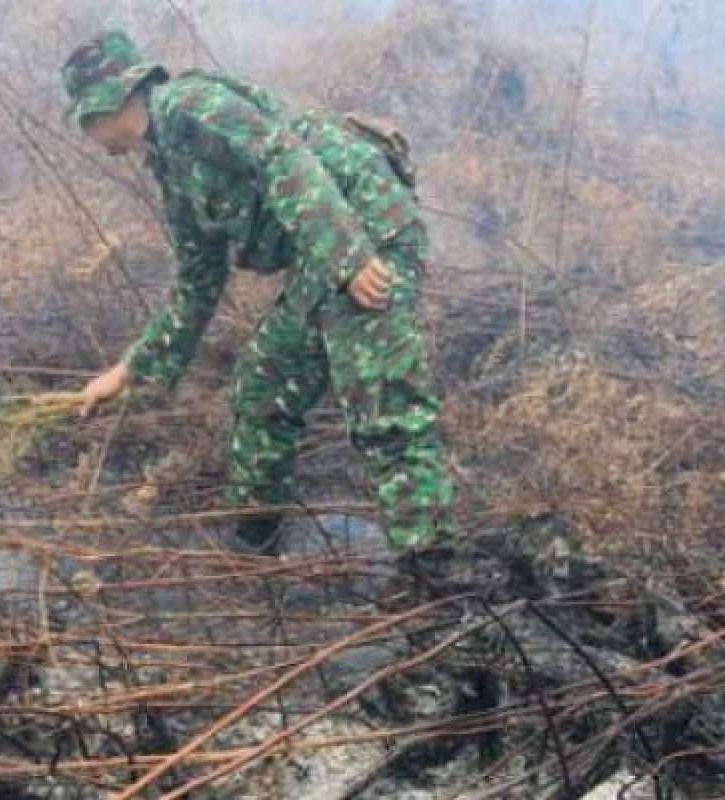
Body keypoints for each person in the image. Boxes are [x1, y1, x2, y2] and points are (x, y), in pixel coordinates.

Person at [62, 30, 465, 587]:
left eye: (84, 121)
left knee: (385, 410)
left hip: (368, 233)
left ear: (104, 105)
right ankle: (254, 553)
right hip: (326, 255)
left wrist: (349, 255)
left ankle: (435, 582)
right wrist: (127, 371)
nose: (88, 134)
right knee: (262, 384)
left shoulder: (188, 105)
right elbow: (198, 283)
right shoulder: (172, 167)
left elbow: (280, 154)